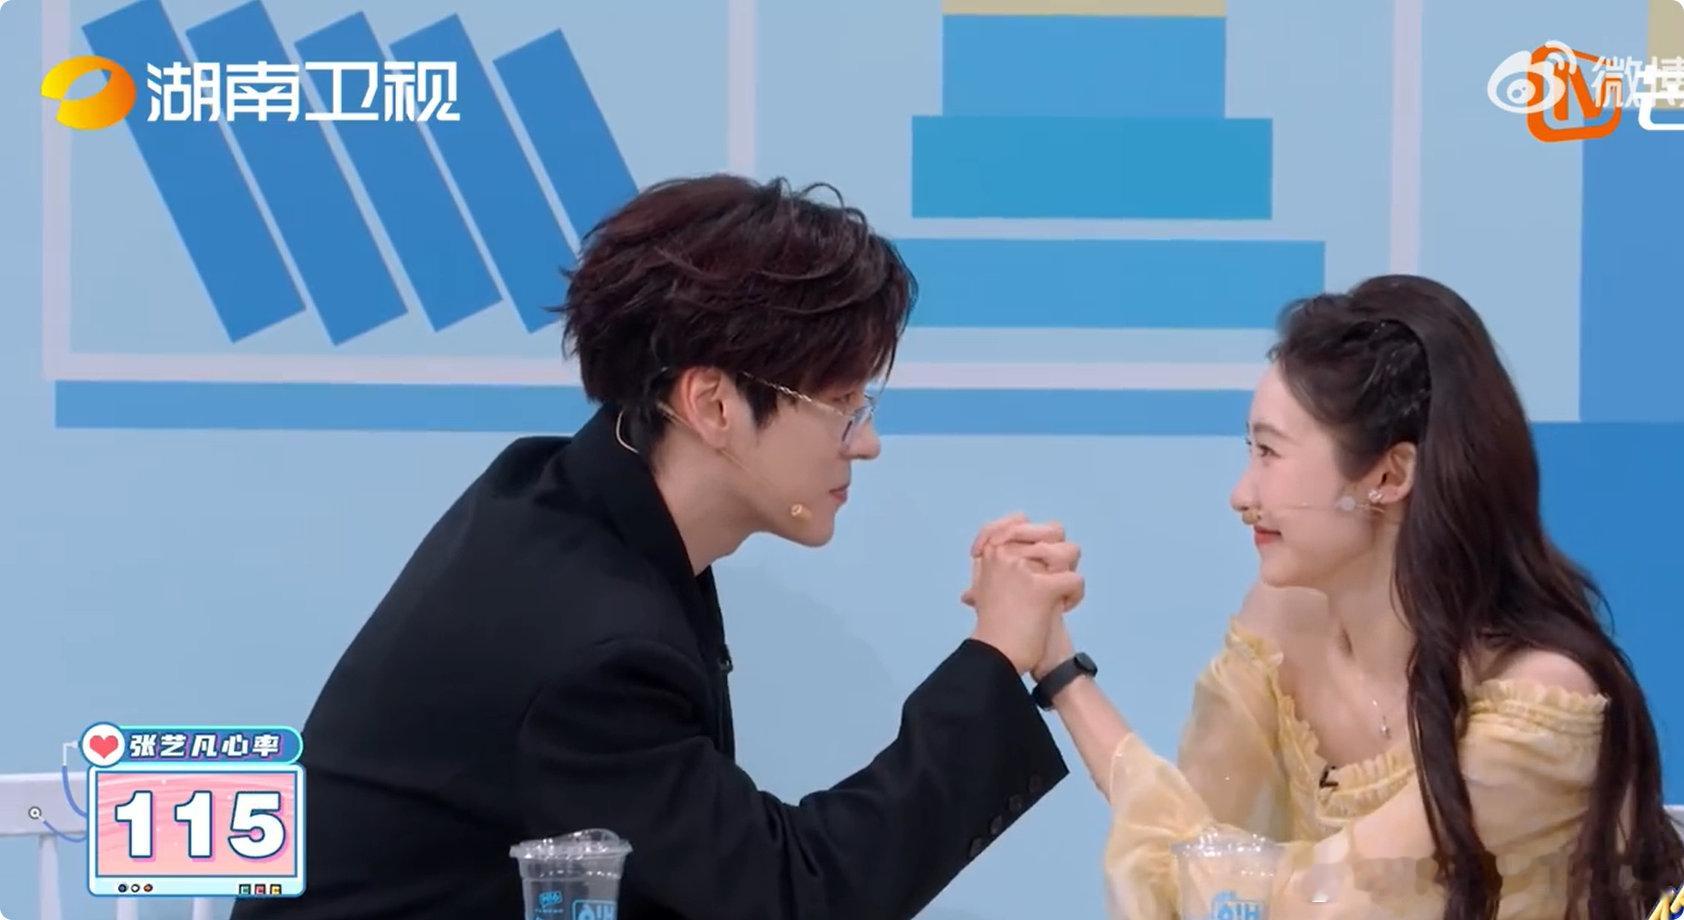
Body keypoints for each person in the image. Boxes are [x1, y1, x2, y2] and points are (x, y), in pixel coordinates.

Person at [230, 174, 1086, 920]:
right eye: (841, 406)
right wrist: (995, 654)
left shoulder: (560, 499)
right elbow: (792, 897)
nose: (865, 444)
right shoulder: (589, 645)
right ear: (712, 405)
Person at [970, 275, 1684, 918]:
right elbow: (1189, 856)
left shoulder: (1540, 704)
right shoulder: (1282, 623)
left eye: (1269, 452)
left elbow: (1317, 904)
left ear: (1389, 476)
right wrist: (1056, 664)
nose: (1241, 495)